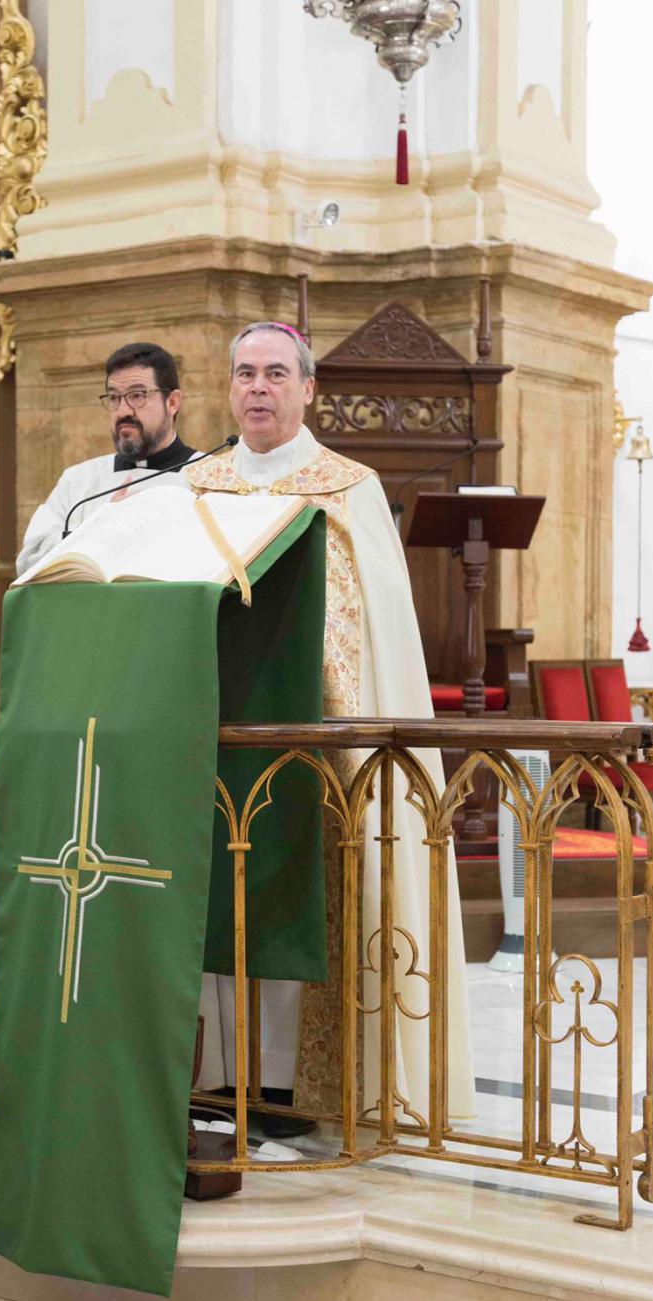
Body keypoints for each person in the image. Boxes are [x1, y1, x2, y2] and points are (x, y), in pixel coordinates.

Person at [187, 321, 475, 1126]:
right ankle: (220, 1078)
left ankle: (297, 1087)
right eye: (244, 373)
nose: (257, 388)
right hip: (215, 733)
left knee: (302, 897)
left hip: (319, 745)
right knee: (221, 899)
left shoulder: (347, 487)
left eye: (276, 374)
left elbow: (380, 629)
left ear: (308, 389)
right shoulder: (198, 484)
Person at [16, 342, 198, 576]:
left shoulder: (206, 479)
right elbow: (29, 560)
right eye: (114, 398)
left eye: (137, 395)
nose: (123, 411)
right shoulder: (78, 480)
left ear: (172, 402)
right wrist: (96, 528)